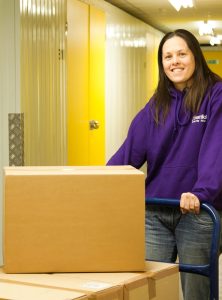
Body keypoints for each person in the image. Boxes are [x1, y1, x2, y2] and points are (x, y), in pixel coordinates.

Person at [107, 29, 222, 300]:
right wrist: (101, 181)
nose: (175, 61)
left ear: (195, 56)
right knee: (150, 290)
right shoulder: (157, 104)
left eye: (182, 53)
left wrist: (201, 192)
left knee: (196, 292)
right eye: (167, 56)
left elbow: (216, 150)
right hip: (156, 212)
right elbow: (128, 154)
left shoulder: (216, 95)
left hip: (198, 210)